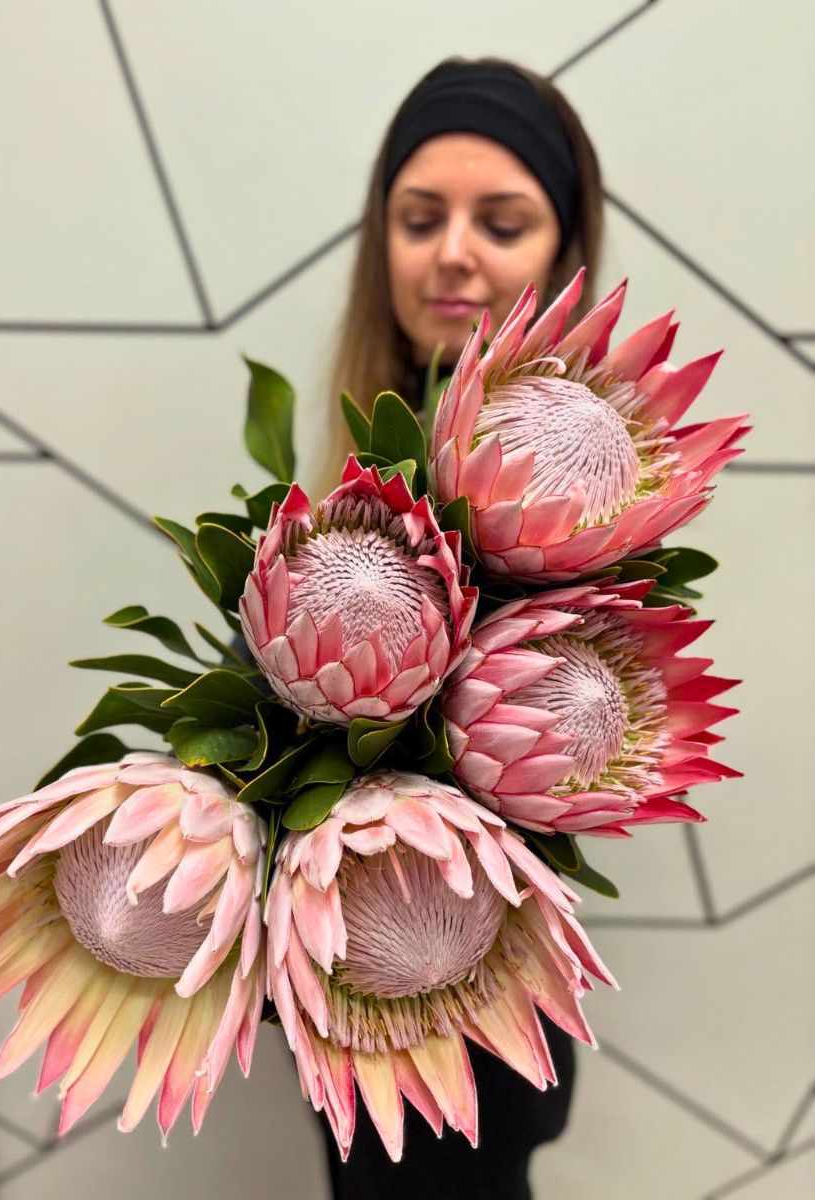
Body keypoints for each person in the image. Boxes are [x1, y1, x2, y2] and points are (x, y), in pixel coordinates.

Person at [320, 57, 605, 1199]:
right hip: (339, 990)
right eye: (420, 217)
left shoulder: (601, 516)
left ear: (561, 252)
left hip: (493, 1003)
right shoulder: (334, 494)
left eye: (503, 221)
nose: (453, 253)